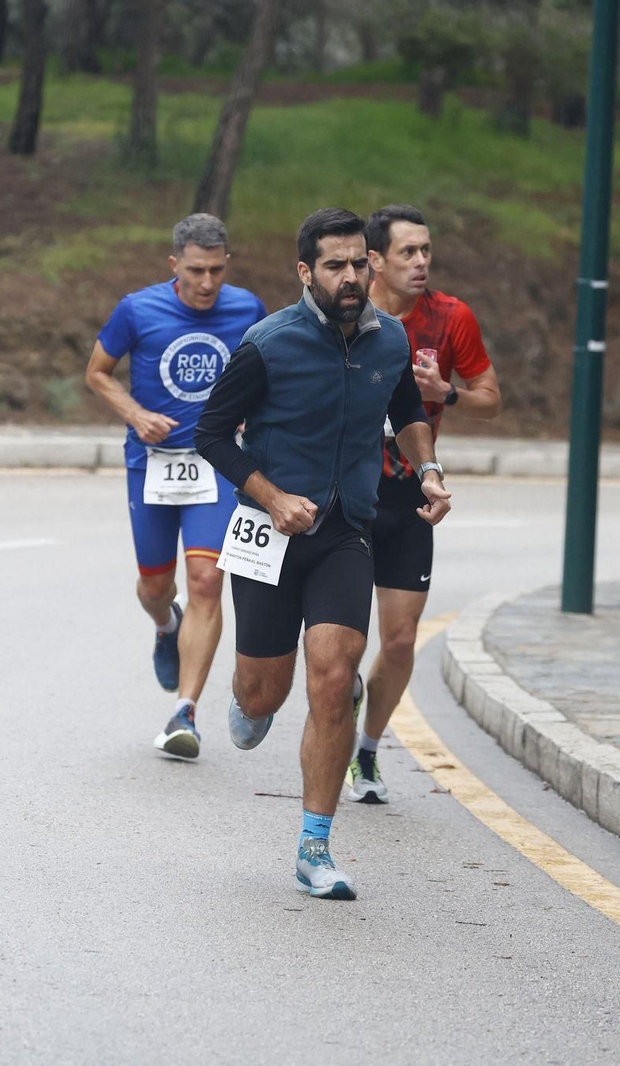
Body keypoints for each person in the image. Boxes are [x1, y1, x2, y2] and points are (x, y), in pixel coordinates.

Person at [194, 208, 451, 900]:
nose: (349, 277)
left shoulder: (388, 341)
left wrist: (427, 471)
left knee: (334, 679)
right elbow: (212, 435)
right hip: (270, 533)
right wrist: (272, 497)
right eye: (333, 266)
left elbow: (407, 416)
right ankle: (248, 703)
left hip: (345, 531)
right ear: (306, 272)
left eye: (358, 263)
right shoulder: (267, 344)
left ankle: (315, 847)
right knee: (262, 694)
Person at [84, 214, 266, 761]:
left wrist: (249, 419)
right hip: (153, 462)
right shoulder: (138, 309)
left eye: (215, 270)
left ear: (226, 263)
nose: (206, 283)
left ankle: (185, 711)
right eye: (194, 271)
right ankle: (167, 625)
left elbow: (268, 373)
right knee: (154, 586)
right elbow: (97, 372)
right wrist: (135, 413)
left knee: (207, 579)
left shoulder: (248, 308)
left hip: (215, 464)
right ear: (174, 265)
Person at [350, 204, 502, 804]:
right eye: (408, 252)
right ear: (376, 260)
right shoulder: (348, 312)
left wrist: (449, 395)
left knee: (400, 642)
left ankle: (366, 750)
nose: (421, 262)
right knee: (342, 641)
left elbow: (491, 399)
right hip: (350, 490)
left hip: (414, 490)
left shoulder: (450, 317)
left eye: (427, 251)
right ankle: (339, 701)